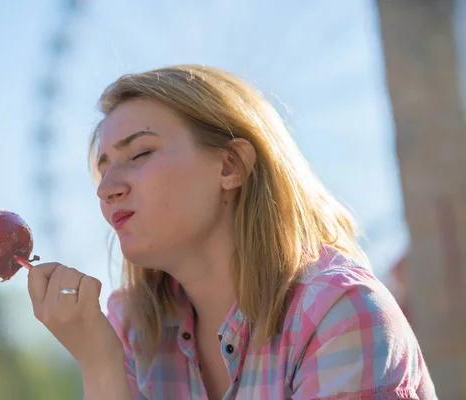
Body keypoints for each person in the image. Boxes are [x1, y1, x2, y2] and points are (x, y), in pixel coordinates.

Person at [27, 65, 437, 399]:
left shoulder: (339, 315)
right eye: (103, 167)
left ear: (230, 166)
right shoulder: (133, 332)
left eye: (140, 153)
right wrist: (100, 365)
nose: (107, 188)